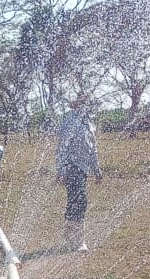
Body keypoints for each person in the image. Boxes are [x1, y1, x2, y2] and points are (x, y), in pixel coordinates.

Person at [54, 95, 103, 251]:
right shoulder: (69, 121)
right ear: (77, 106)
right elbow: (62, 147)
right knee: (79, 200)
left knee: (77, 201)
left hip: (83, 169)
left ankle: (72, 238)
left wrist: (96, 169)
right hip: (71, 167)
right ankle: (77, 240)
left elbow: (92, 148)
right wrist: (61, 169)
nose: (87, 107)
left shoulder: (89, 124)